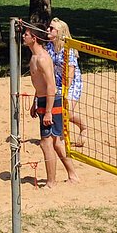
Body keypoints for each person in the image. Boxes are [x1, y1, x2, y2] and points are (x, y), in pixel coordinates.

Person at [23, 25, 78, 187]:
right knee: (55, 143)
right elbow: (39, 84)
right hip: (42, 100)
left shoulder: (42, 58)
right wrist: (35, 102)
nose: (23, 37)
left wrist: (48, 112)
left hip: (52, 102)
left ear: (34, 38)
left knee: (46, 143)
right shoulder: (34, 57)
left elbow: (51, 87)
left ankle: (51, 182)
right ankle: (73, 175)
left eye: (26, 34)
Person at [47, 17, 87, 147]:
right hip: (57, 81)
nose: (48, 29)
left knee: (67, 112)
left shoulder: (68, 48)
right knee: (57, 110)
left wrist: (65, 91)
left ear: (59, 32)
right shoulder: (50, 46)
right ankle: (61, 136)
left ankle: (84, 128)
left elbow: (70, 73)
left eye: (51, 28)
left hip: (72, 83)